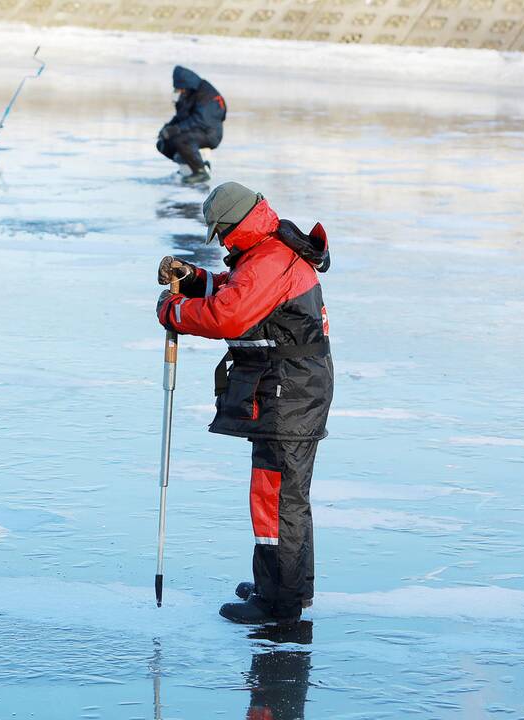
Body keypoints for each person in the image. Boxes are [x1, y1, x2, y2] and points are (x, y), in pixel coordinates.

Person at [156, 182, 333, 625]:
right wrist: (197, 280)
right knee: (285, 497)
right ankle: (285, 586)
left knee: (276, 499)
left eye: (221, 233)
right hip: (289, 391)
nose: (222, 242)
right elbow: (238, 292)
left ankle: (279, 604)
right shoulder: (267, 250)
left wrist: (173, 311)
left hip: (287, 394)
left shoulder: (269, 259)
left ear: (235, 224)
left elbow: (228, 315)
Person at [156, 65, 227, 185]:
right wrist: (168, 128)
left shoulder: (207, 94)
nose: (178, 91)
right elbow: (182, 116)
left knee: (180, 140)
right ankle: (188, 167)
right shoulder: (188, 93)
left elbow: (201, 120)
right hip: (196, 131)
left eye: (179, 88)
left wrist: (176, 129)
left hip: (210, 133)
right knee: (164, 143)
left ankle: (200, 172)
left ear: (185, 84)